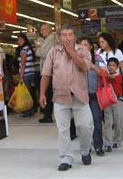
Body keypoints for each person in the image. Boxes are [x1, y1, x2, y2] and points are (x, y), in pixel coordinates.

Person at [39, 24, 94, 171]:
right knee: (63, 129)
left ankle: (85, 150)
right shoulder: (53, 52)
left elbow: (84, 67)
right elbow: (46, 74)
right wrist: (42, 93)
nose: (68, 37)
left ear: (74, 36)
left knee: (86, 127)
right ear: (59, 37)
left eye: (70, 34)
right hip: (60, 96)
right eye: (64, 35)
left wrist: (72, 52)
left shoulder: (83, 51)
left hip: (80, 96)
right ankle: (66, 157)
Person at [78, 37, 105, 156]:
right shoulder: (76, 59)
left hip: (94, 94)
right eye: (81, 45)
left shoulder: (97, 59)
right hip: (82, 95)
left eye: (85, 45)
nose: (83, 47)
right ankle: (86, 147)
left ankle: (98, 146)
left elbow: (103, 73)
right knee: (84, 124)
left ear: (90, 46)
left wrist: (93, 66)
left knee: (96, 120)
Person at [36, 24, 58, 123]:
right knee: (50, 93)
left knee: (48, 93)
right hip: (52, 69)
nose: (42, 31)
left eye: (44, 29)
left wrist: (37, 48)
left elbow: (43, 53)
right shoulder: (51, 38)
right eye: (41, 30)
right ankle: (48, 114)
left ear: (50, 29)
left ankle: (47, 115)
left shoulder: (50, 38)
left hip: (49, 70)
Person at [103, 57, 123, 152]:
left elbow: (110, 77)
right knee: (108, 122)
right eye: (109, 65)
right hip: (108, 101)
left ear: (117, 66)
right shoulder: (106, 75)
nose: (111, 67)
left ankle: (117, 140)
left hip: (118, 100)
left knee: (118, 121)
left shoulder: (118, 75)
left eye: (113, 66)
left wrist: (103, 73)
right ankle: (108, 142)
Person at [16, 33, 36, 118]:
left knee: (26, 94)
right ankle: (31, 110)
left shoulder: (24, 50)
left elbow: (23, 63)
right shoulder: (29, 48)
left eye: (21, 39)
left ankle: (27, 112)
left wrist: (21, 76)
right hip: (31, 73)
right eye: (18, 40)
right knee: (30, 93)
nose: (19, 41)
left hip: (26, 74)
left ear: (25, 40)